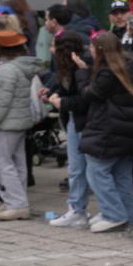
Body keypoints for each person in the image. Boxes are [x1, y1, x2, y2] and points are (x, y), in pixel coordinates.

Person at [75, 32, 133, 233]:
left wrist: (82, 73)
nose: (89, 51)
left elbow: (90, 94)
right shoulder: (126, 66)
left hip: (109, 129)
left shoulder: (108, 73)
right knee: (121, 173)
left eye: (91, 47)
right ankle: (126, 215)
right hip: (127, 129)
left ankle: (114, 214)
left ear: (100, 50)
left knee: (96, 170)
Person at [0, 30, 41, 220]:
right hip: (20, 120)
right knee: (18, 163)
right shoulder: (21, 67)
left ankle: (16, 204)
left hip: (7, 123)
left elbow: (0, 103)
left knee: (3, 164)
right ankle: (14, 201)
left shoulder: (7, 70)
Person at [44, 34, 94, 228]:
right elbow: (66, 89)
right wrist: (52, 93)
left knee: (85, 168)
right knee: (76, 168)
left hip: (85, 121)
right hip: (74, 120)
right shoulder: (64, 67)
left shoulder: (82, 66)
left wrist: (63, 102)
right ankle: (77, 209)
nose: (50, 50)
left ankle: (79, 210)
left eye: (53, 46)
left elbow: (86, 98)